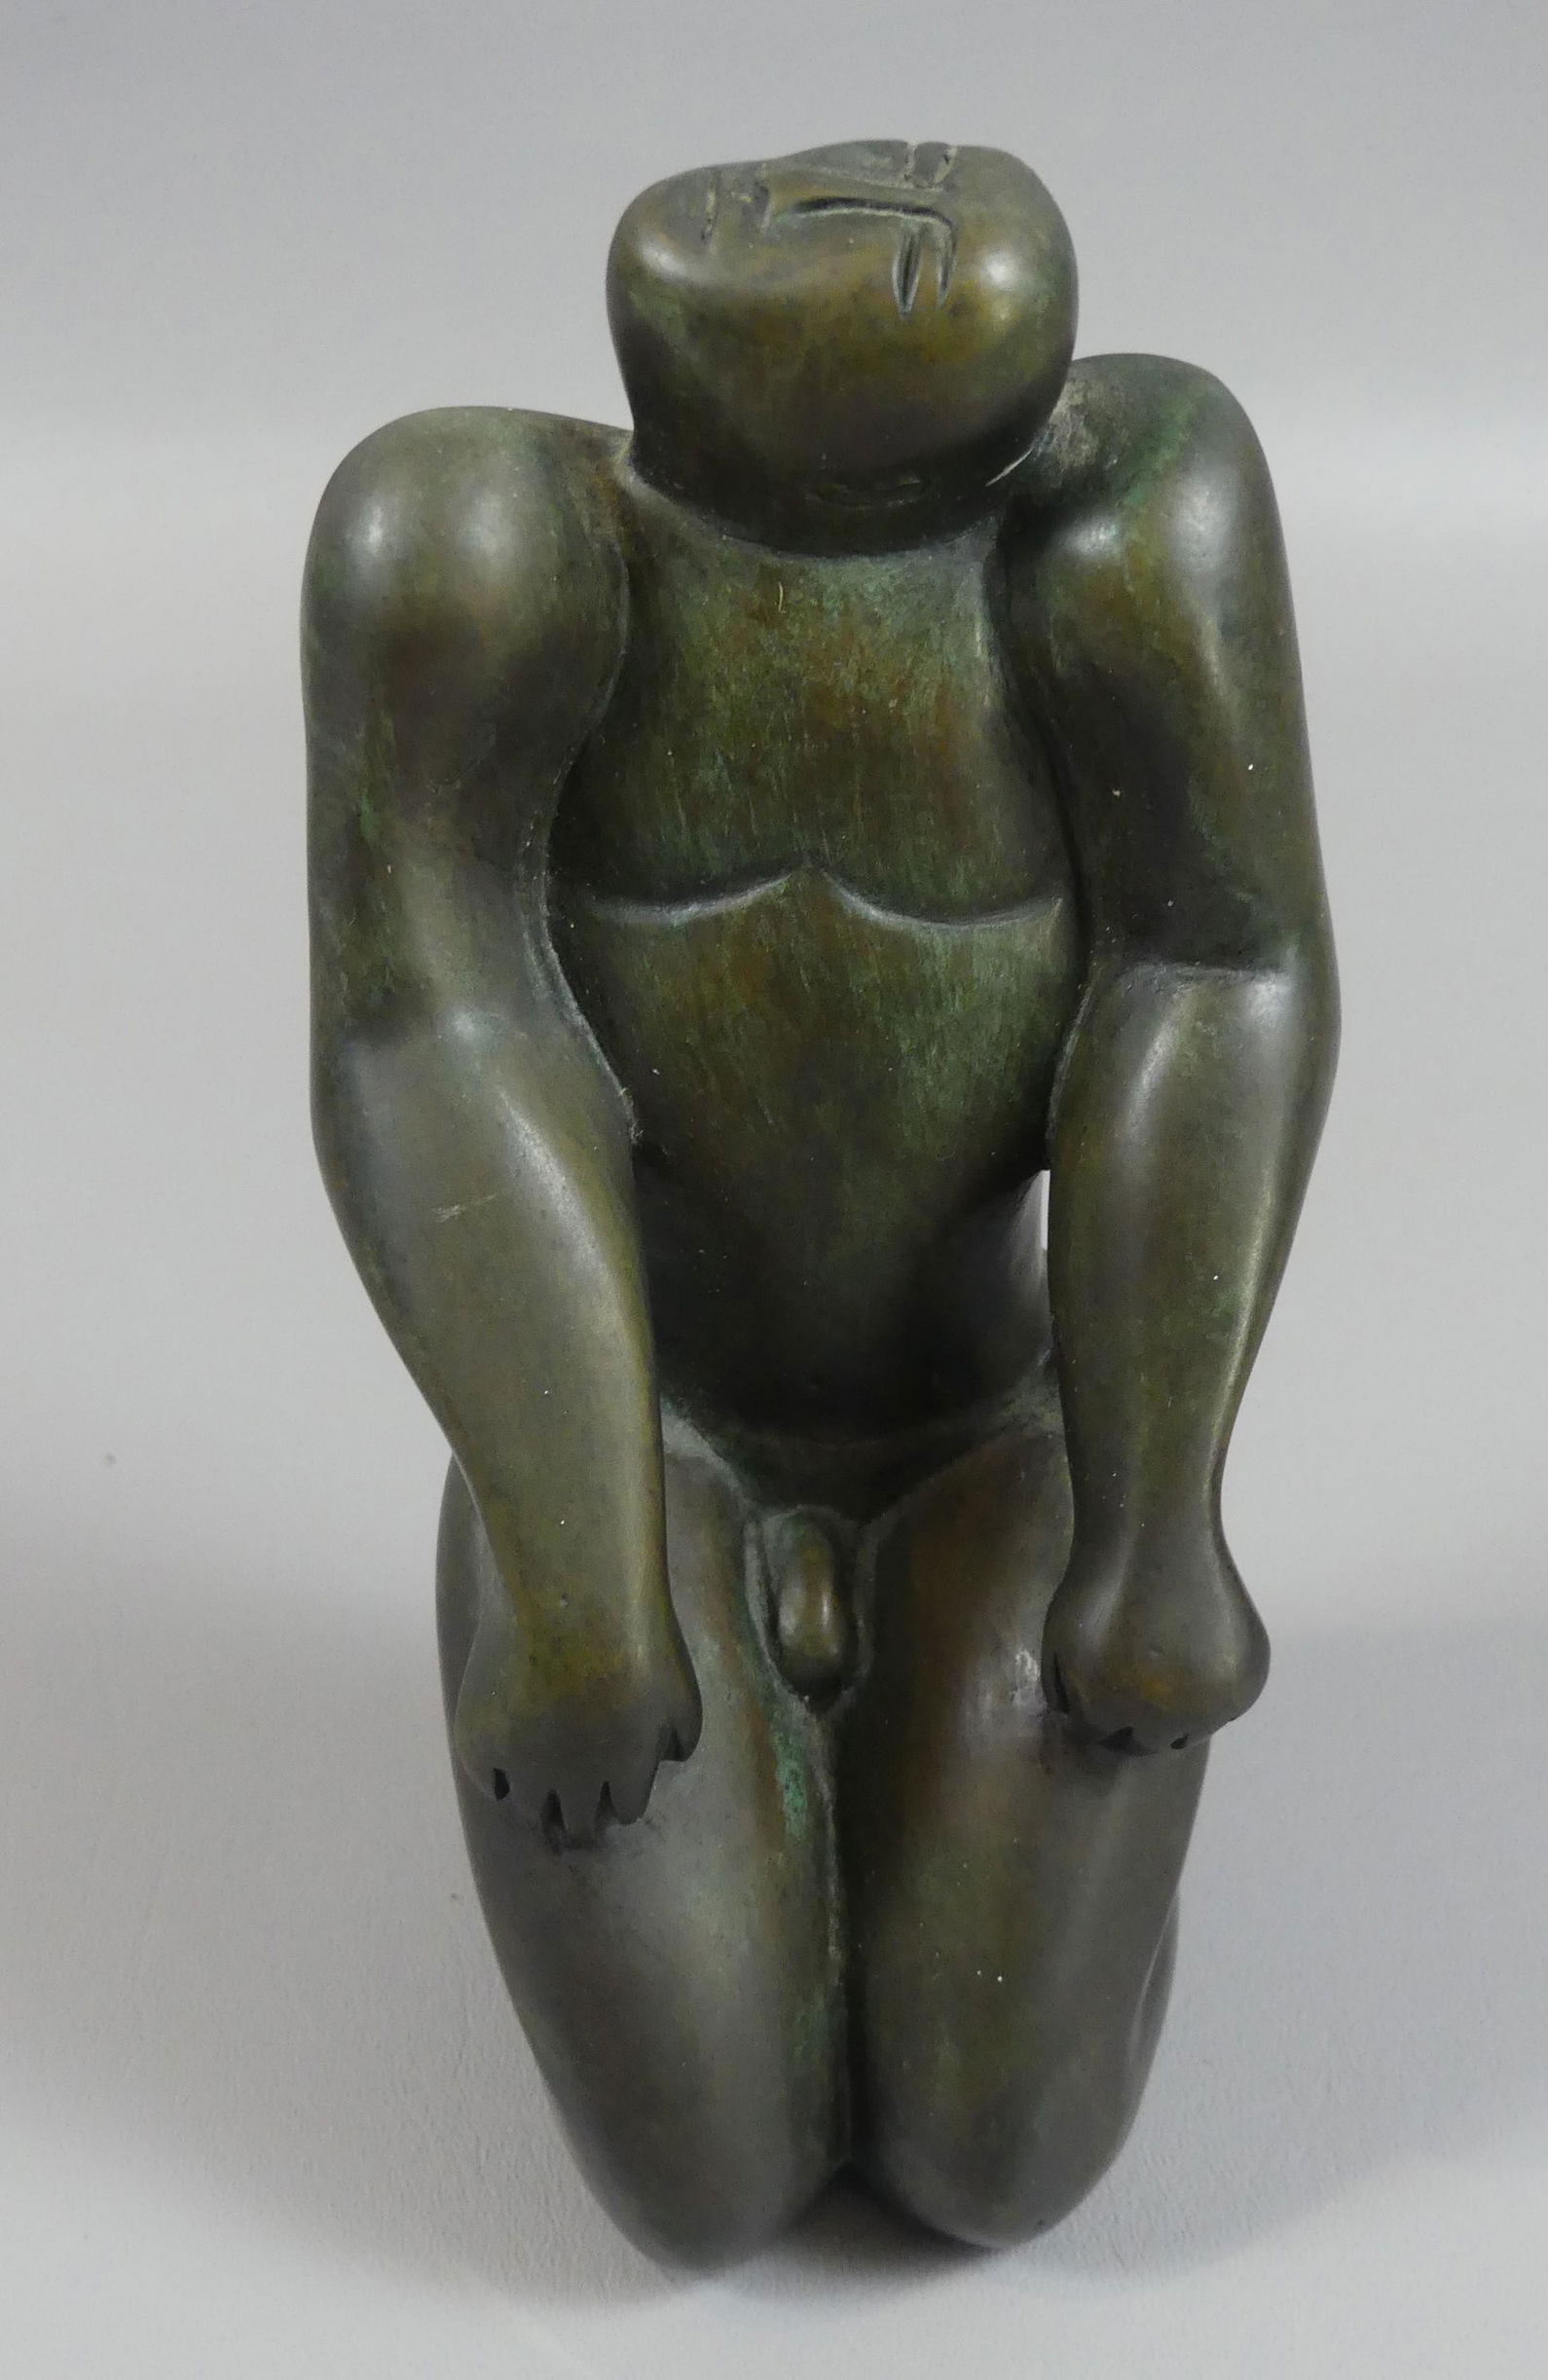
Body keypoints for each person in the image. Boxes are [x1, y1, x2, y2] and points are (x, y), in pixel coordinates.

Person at [305, 141, 1339, 2264]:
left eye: (925, 193)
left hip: (995, 1441)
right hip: (656, 1448)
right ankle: (598, 1588)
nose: (884, 201)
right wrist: (574, 1561)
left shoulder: (1124, 522)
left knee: (1000, 2151)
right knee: (698, 2170)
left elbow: (1215, 970)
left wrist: (1152, 1520)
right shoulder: (480, 551)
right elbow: (432, 1037)